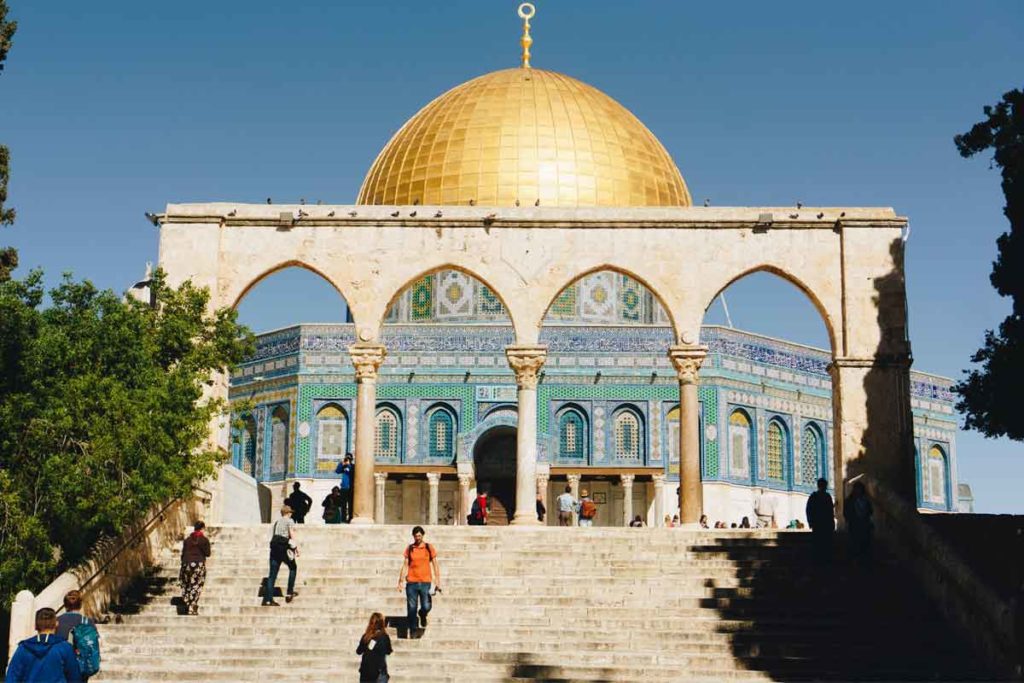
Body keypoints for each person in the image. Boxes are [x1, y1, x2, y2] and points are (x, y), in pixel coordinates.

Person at [6, 607, 82, 683]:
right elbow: (75, 678)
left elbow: (12, 678)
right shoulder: (65, 648)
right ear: (56, 624)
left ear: (35, 626)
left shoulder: (23, 648)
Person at [397, 526, 441, 638]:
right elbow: (405, 564)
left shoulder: (428, 547)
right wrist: (400, 581)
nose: (418, 538)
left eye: (420, 536)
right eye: (416, 536)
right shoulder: (410, 548)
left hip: (425, 582)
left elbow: (435, 564)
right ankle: (412, 630)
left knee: (426, 606)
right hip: (412, 582)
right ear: (413, 536)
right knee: (411, 608)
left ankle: (422, 613)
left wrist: (437, 580)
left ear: (423, 535)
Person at [55, 591, 99, 681]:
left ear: (65, 605)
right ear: (80, 605)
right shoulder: (88, 622)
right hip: (81, 669)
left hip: (61, 668)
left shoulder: (56, 621)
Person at [263, 505, 298, 606]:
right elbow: (291, 534)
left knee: (272, 575)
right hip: (284, 549)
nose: (291, 513)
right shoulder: (289, 521)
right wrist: (296, 548)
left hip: (274, 549)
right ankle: (289, 592)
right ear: (288, 513)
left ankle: (268, 600)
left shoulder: (277, 522)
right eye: (290, 512)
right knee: (293, 567)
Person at [179, 520, 211, 615]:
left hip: (186, 564)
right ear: (202, 529)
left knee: (187, 584)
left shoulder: (187, 540)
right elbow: (208, 553)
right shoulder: (204, 540)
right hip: (198, 564)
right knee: (197, 584)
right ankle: (192, 606)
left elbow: (183, 554)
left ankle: (188, 602)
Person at [356, 612, 393, 682]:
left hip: (366, 671)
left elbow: (358, 651)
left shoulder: (366, 637)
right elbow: (389, 651)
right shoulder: (384, 637)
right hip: (379, 671)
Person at [806, 478, 835, 565]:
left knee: (823, 543)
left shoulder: (824, 496)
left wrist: (810, 522)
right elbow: (809, 510)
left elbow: (809, 510)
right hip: (820, 524)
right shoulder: (818, 496)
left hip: (822, 524)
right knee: (821, 543)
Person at [845, 481, 874, 565]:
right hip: (854, 525)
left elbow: (870, 511)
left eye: (859, 489)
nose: (858, 491)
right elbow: (847, 512)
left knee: (864, 543)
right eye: (857, 489)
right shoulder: (849, 501)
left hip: (864, 525)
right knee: (855, 543)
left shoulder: (866, 501)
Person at [335, 454, 355, 523]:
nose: (347, 459)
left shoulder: (353, 466)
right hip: (343, 488)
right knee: (343, 504)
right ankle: (343, 519)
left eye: (348, 458)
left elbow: (352, 473)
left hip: (350, 488)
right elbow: (337, 471)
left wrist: (349, 465)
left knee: (350, 505)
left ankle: (350, 518)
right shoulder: (343, 466)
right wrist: (342, 463)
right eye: (346, 458)